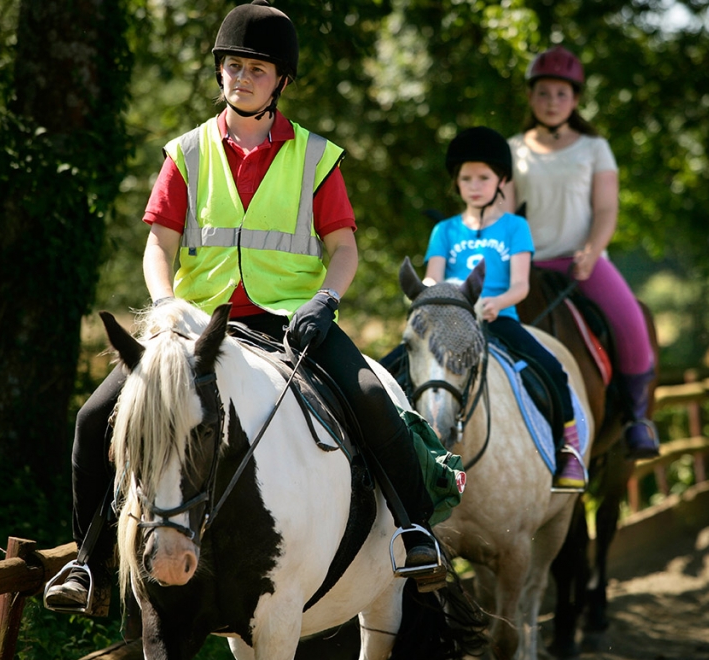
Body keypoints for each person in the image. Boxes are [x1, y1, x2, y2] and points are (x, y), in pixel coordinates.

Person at [44, 0, 441, 614]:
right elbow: (159, 246)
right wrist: (166, 306)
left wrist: (325, 301)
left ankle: (416, 534)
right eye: (232, 65)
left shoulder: (315, 156)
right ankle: (87, 563)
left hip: (290, 320)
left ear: (281, 80)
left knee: (369, 395)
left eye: (257, 68)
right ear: (219, 72)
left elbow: (343, 249)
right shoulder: (185, 153)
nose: (241, 77)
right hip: (195, 325)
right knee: (94, 417)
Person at [503, 46, 659, 457]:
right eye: (543, 93)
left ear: (574, 100)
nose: (552, 102)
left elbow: (606, 208)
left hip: (582, 264)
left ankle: (639, 418)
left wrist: (592, 250)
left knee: (632, 324)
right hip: (527, 265)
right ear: (531, 96)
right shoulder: (512, 149)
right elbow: (502, 212)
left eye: (561, 94)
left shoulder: (594, 148)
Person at [424, 126, 586, 491]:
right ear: (457, 183)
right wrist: (433, 299)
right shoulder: (444, 232)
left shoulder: (515, 228)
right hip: (450, 325)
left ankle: (568, 450)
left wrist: (496, 303)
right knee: (391, 369)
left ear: (501, 180)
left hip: (499, 319)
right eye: (466, 178)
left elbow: (520, 286)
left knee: (552, 369)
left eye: (484, 177)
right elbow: (433, 280)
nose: (474, 185)